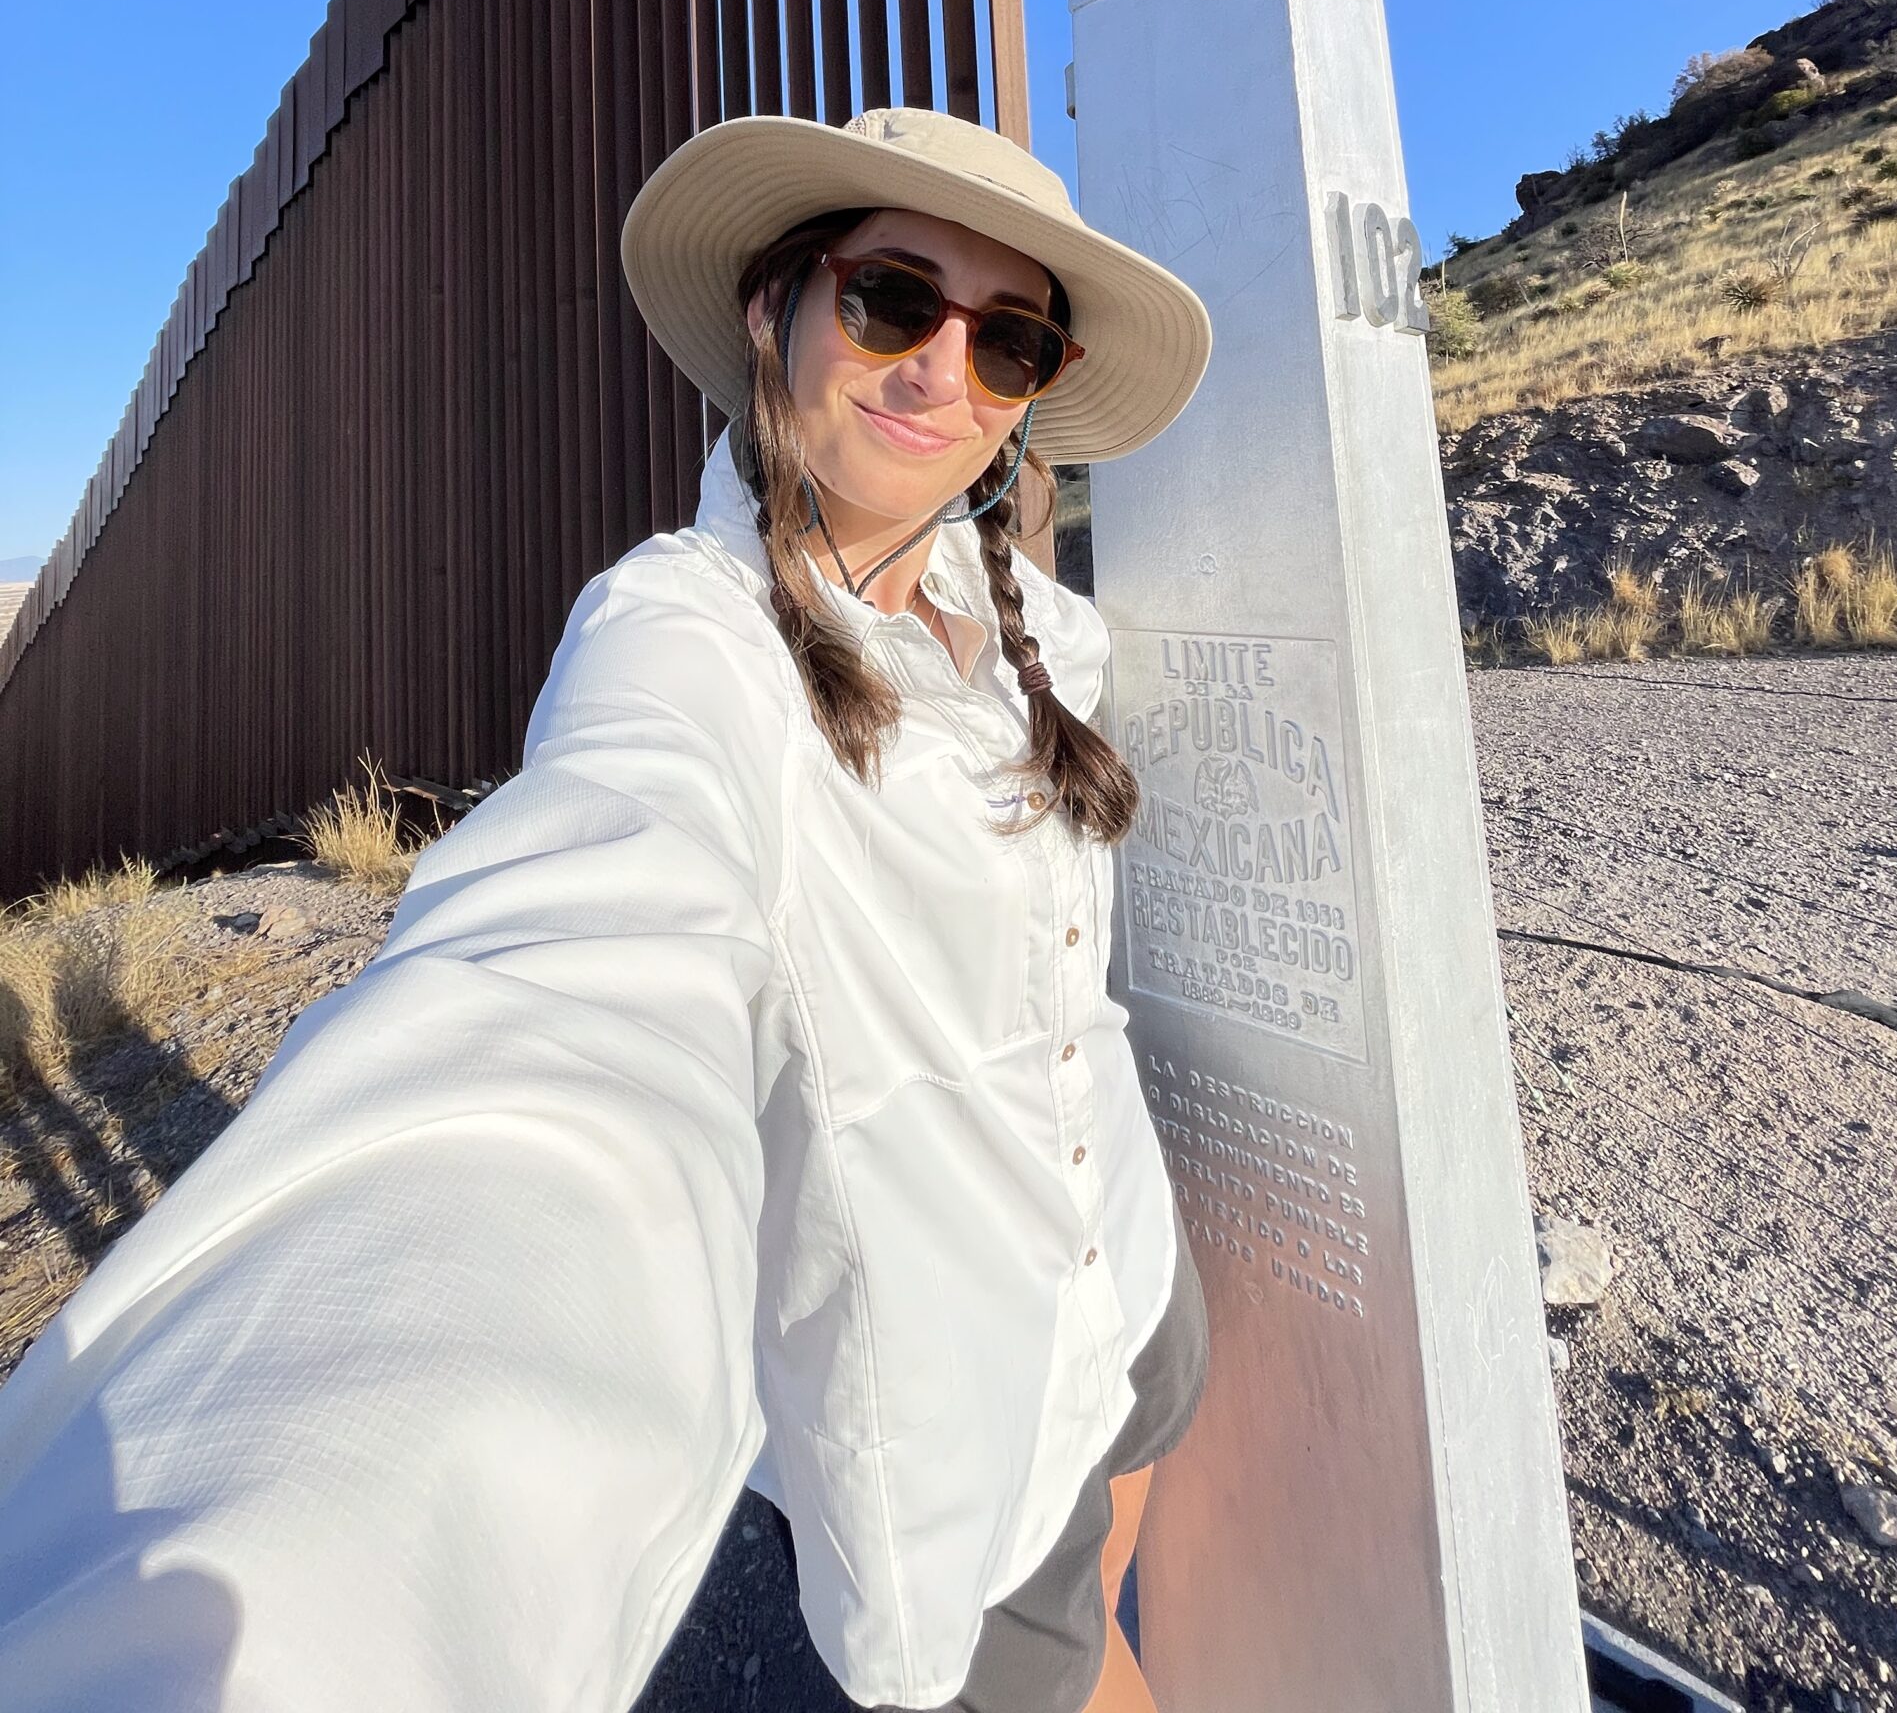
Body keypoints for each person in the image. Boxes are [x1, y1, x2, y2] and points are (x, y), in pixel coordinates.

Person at [0, 104, 1214, 1713]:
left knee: (1128, 1558)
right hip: (964, 1399)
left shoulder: (1030, 622)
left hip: (1127, 1266)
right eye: (893, 302)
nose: (944, 371)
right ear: (776, 305)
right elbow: (567, 989)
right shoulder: (685, 639)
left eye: (1009, 342)